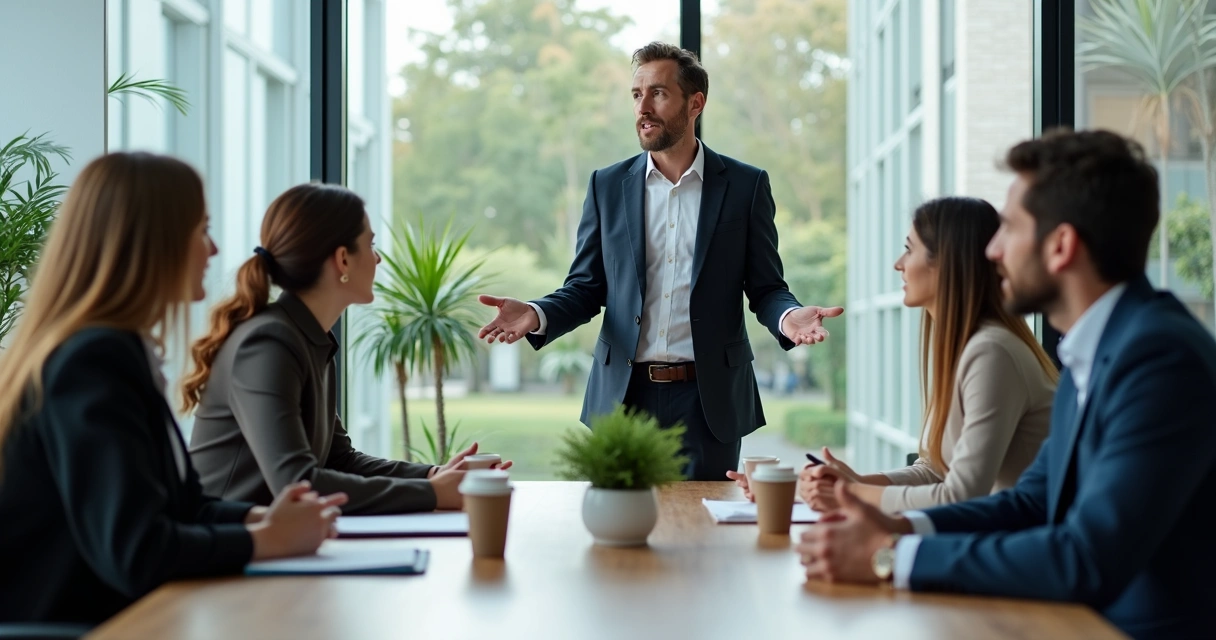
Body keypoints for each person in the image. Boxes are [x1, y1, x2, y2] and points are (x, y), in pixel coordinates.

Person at [796, 130, 1216, 639]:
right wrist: (897, 526)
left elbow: (1085, 558)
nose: (992, 251)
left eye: (1010, 228)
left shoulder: (1158, 359)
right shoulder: (1096, 349)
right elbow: (1028, 503)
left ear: (1061, 246)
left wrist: (892, 557)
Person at [0, 153, 345, 626]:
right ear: (152, 242)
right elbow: (138, 552)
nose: (215, 249)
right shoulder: (91, 361)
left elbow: (187, 508)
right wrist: (268, 540)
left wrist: (264, 521)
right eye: (201, 229)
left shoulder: (117, 350)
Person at [475, 42, 843, 480]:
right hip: (623, 398)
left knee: (704, 536)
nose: (642, 108)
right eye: (636, 94)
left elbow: (765, 287)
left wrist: (788, 317)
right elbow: (586, 287)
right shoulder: (606, 186)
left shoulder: (746, 186)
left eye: (658, 93)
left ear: (696, 103)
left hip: (709, 403)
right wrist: (536, 313)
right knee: (622, 534)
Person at [184, 184, 507, 515]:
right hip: (230, 553)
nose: (378, 258)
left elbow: (341, 461)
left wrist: (434, 476)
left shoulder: (306, 337)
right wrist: (433, 494)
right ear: (342, 259)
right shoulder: (269, 343)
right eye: (370, 244)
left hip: (280, 544)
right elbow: (297, 482)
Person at [728, 197, 1057, 512]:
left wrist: (848, 492)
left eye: (909, 250)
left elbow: (961, 494)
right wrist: (846, 482)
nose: (898, 264)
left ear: (948, 262)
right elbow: (935, 472)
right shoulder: (971, 347)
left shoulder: (992, 352)